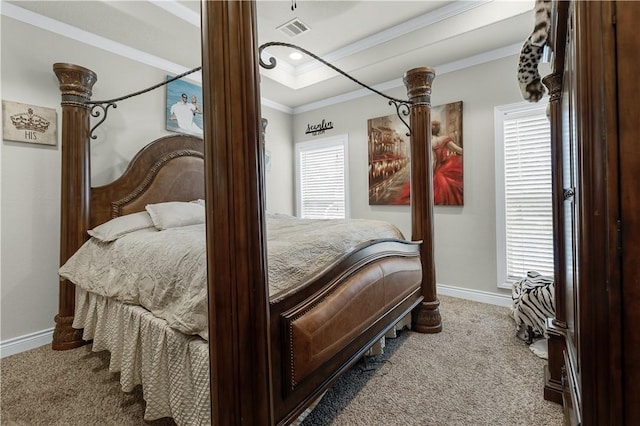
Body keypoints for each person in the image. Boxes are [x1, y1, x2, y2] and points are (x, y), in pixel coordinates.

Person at [431, 119, 463, 205]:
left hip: (437, 170)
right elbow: (458, 150)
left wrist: (433, 172)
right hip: (446, 168)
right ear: (439, 129)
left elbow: (434, 160)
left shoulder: (429, 142)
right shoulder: (444, 139)